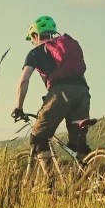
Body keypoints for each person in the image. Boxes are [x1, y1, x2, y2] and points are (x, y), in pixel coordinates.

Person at [11, 15, 91, 180]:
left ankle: (50, 183)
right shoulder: (66, 48)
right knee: (77, 146)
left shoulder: (36, 52)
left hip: (61, 94)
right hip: (83, 92)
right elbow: (80, 75)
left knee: (38, 138)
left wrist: (18, 108)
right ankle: (89, 183)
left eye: (31, 38)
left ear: (35, 36)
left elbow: (23, 81)